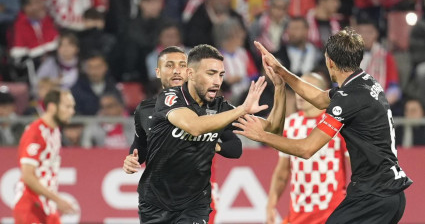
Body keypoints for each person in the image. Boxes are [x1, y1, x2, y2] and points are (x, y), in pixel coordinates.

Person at [235, 30, 413, 223]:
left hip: (373, 195)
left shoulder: (348, 99)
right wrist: (280, 71)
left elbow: (306, 149)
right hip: (390, 194)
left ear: (330, 62)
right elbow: (320, 99)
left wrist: (262, 135)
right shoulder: (366, 83)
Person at [127, 44, 285, 223]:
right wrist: (241, 109)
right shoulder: (170, 98)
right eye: (211, 74)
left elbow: (273, 129)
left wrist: (280, 89)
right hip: (156, 204)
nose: (217, 81)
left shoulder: (220, 108)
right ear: (190, 74)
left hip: (195, 205)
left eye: (221, 75)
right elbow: (194, 126)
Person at [122, 46, 241, 223]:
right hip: (159, 201)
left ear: (189, 72)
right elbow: (140, 149)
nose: (177, 71)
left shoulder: (208, 105)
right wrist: (131, 160)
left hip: (196, 199)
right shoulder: (145, 109)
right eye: (169, 65)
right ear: (157, 72)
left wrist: (214, 144)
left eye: (182, 65)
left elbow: (235, 147)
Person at [266, 73, 349, 224]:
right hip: (298, 213)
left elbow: (357, 167)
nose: (300, 94)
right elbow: (282, 172)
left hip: (332, 212)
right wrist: (271, 205)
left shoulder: (337, 123)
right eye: (298, 88)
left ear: (322, 92)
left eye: (306, 88)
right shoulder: (290, 124)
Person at [14, 89, 77, 224]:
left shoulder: (54, 132)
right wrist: (58, 199)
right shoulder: (35, 132)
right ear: (52, 107)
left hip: (47, 207)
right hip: (30, 205)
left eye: (72, 107)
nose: (72, 111)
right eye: (67, 106)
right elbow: (28, 176)